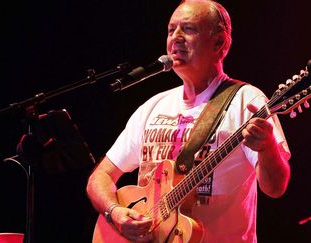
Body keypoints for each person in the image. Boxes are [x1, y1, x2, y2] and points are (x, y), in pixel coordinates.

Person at [86, 0, 291, 242]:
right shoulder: (153, 106)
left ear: (219, 44)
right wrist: (115, 212)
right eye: (172, 30)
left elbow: (275, 187)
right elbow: (100, 178)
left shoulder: (246, 100)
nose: (176, 38)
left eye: (189, 29)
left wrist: (267, 148)